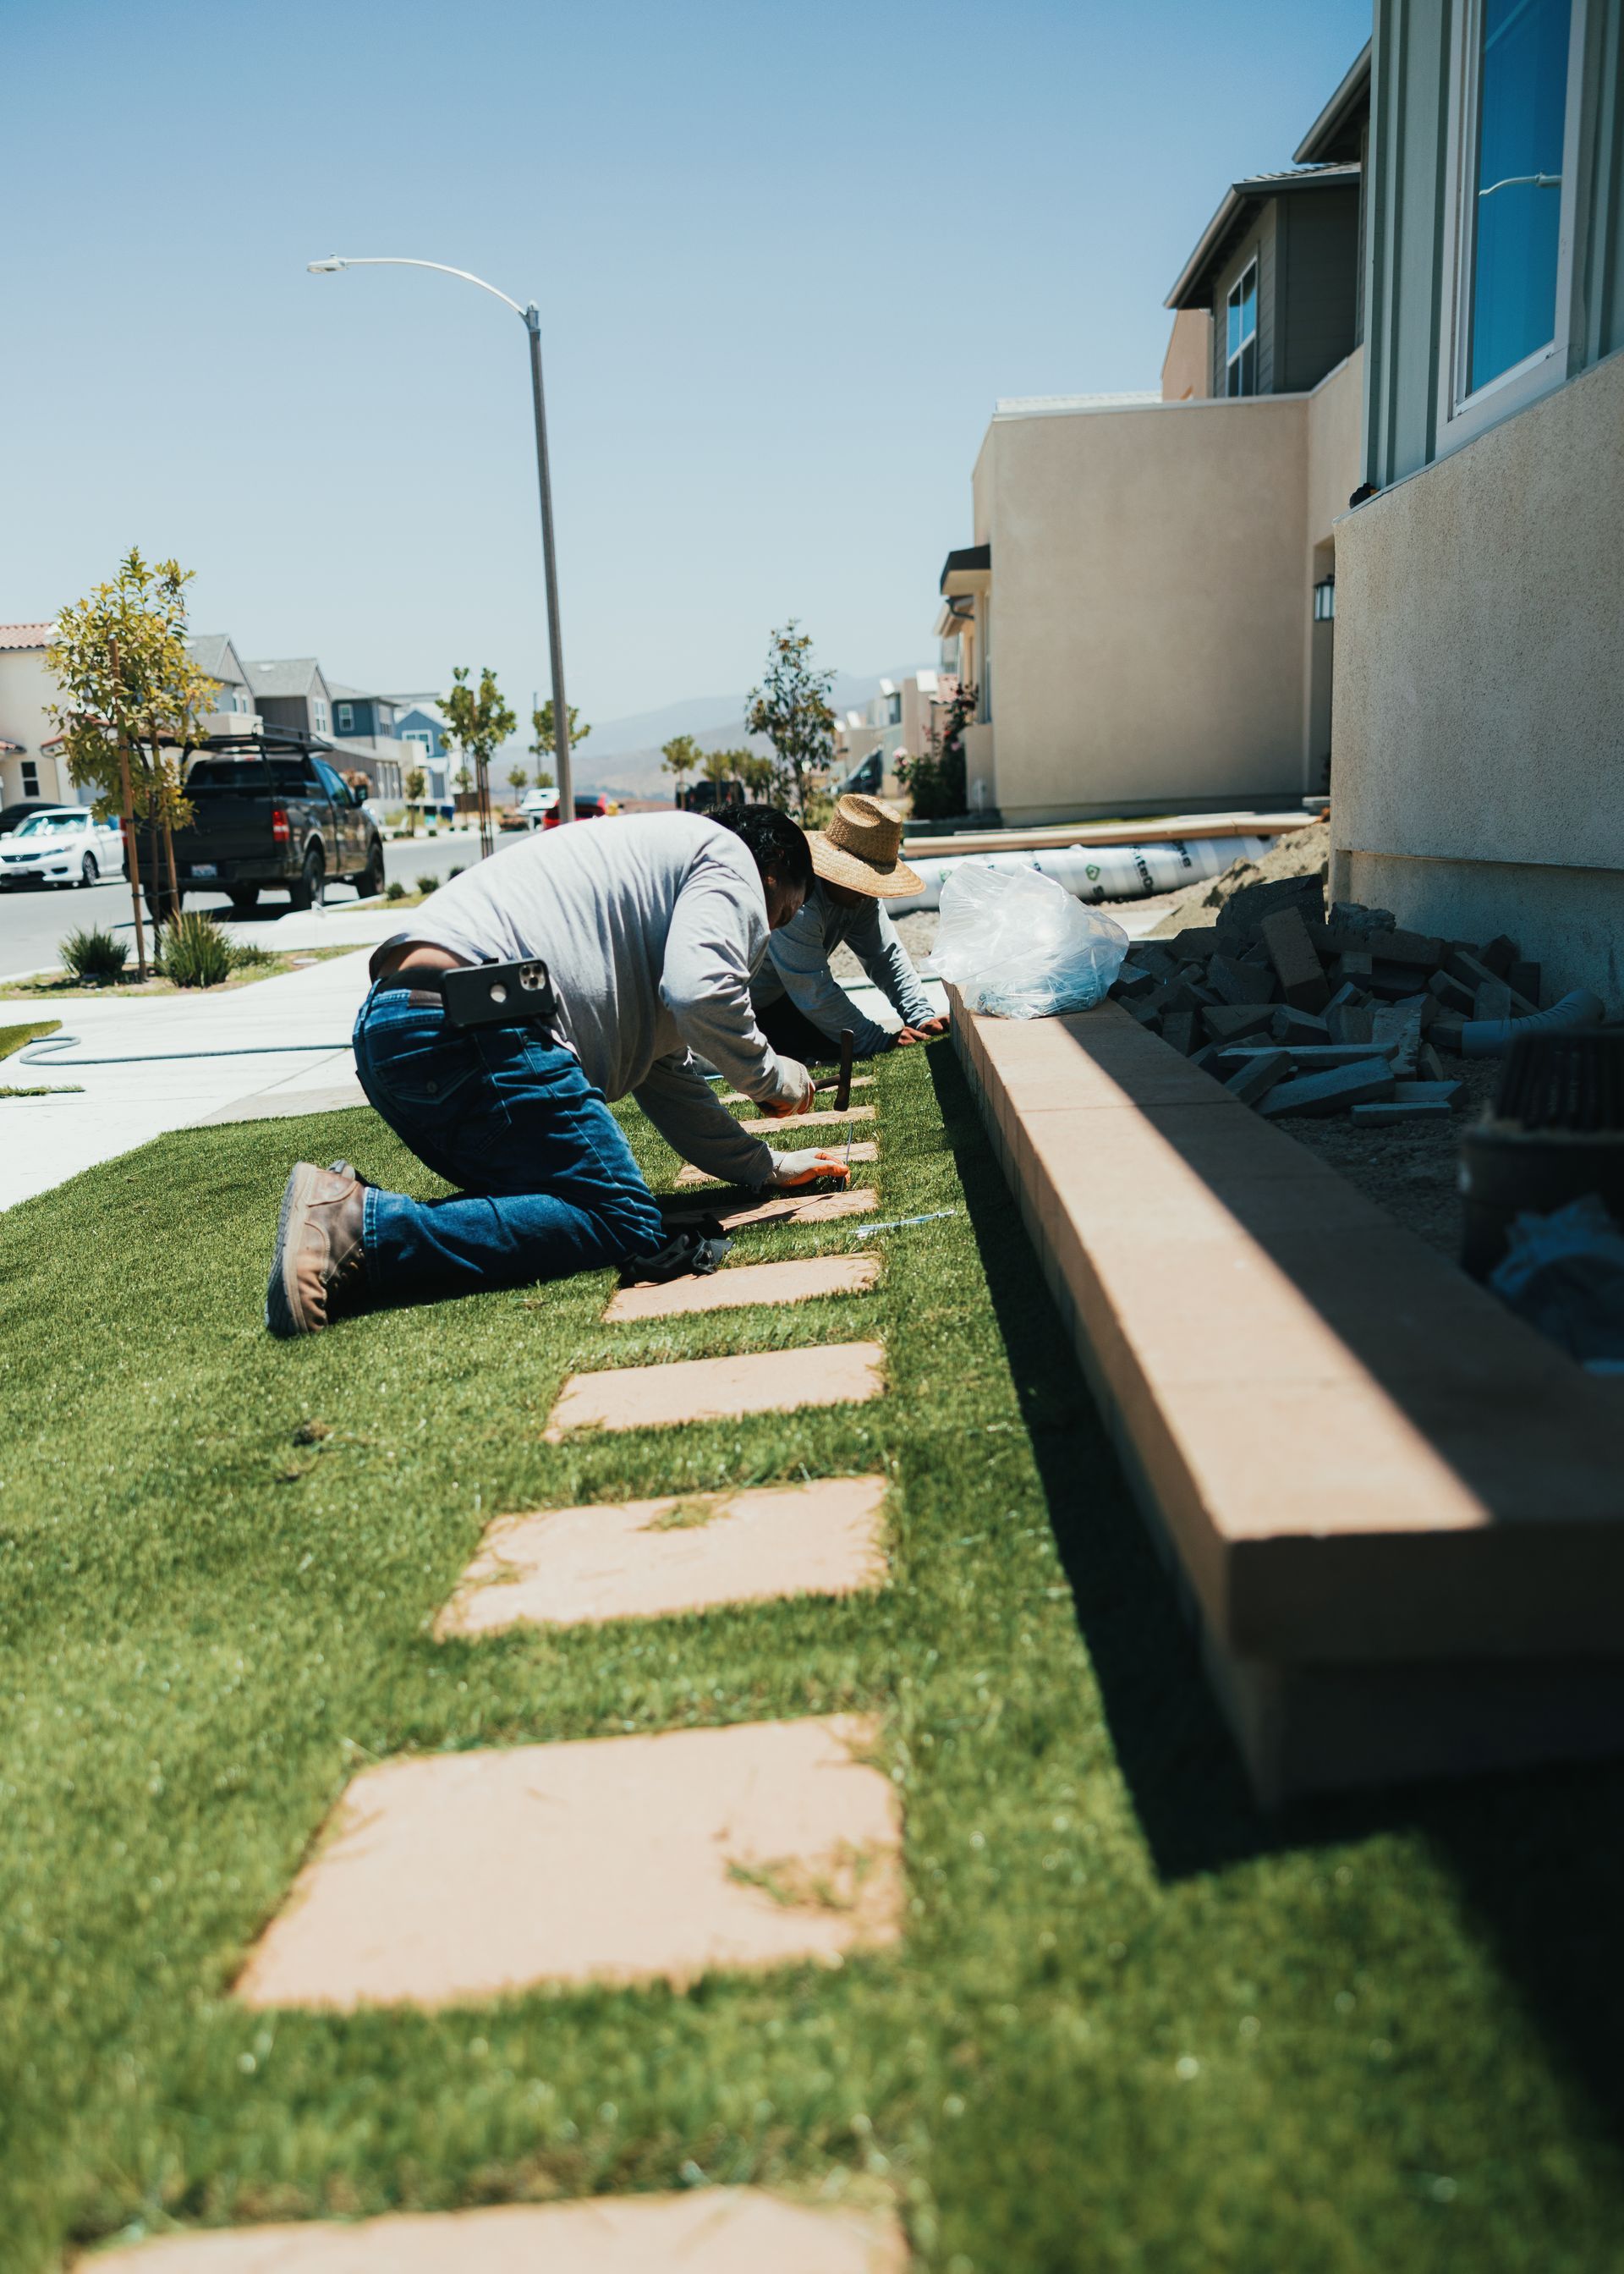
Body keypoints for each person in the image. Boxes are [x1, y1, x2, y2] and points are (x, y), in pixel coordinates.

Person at [266, 806, 848, 1337]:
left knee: (552, 1200)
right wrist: (775, 1079)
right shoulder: (729, 860)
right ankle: (363, 1224)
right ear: (769, 872)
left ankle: (349, 1212)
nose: (767, 933)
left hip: (392, 1034)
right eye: (782, 913)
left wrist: (764, 1167)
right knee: (622, 1218)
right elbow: (702, 995)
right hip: (478, 1024)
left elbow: (670, 1080)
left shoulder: (658, 879)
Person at [752, 793, 950, 1063]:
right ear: (836, 870)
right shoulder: (798, 902)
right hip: (747, 1010)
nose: (869, 893)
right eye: (864, 880)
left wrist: (921, 1016)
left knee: (838, 1045)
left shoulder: (859, 898)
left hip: (788, 997)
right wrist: (880, 1041)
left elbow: (885, 957)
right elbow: (815, 990)